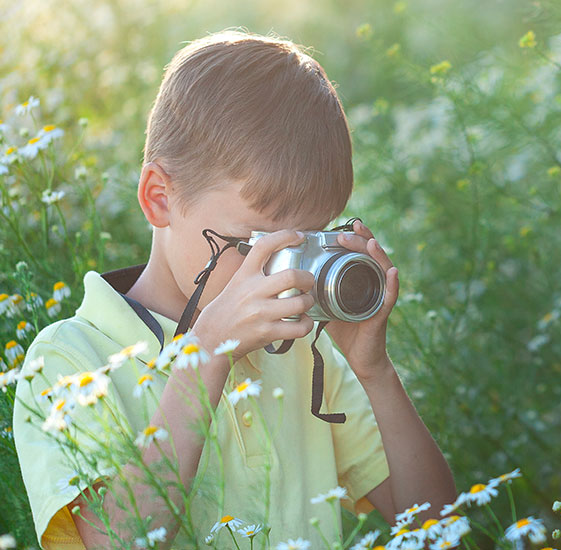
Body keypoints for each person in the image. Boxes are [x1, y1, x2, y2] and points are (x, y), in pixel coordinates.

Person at [11, 28, 455, 549]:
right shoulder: (70, 360)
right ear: (159, 198)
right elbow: (111, 542)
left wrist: (373, 371)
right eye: (255, 244)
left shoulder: (304, 356)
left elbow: (442, 527)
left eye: (305, 246)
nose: (278, 275)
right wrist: (204, 360)